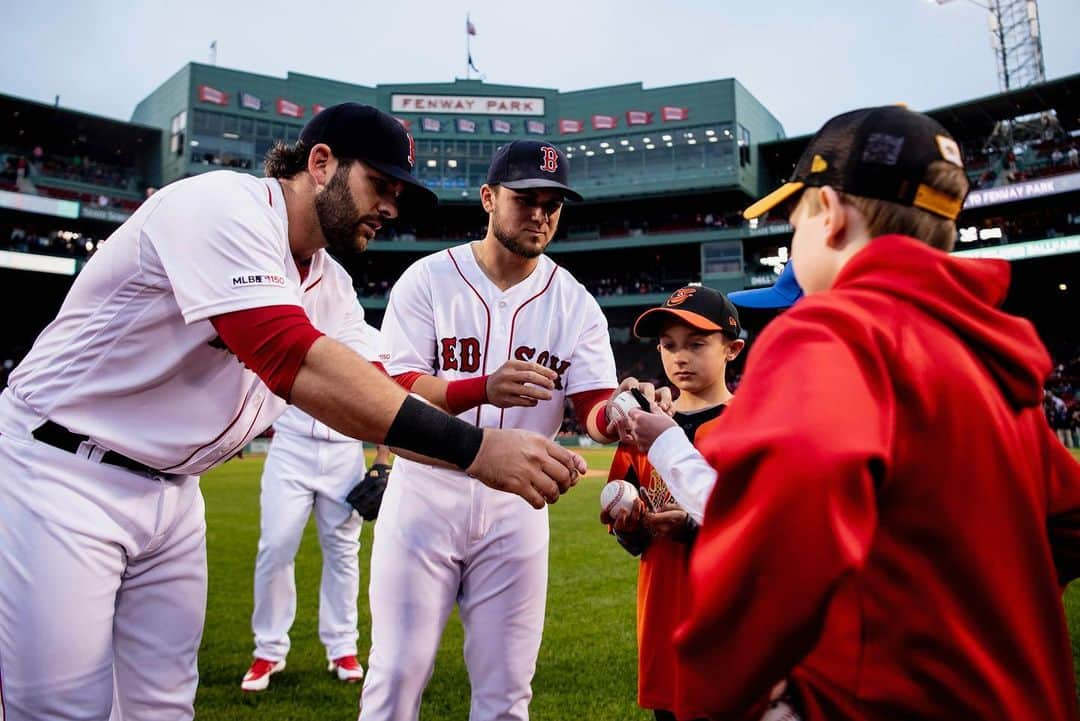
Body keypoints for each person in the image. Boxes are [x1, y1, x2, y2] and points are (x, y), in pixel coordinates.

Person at [0, 103, 585, 721]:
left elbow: (390, 389)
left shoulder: (326, 282)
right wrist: (479, 451)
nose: (390, 206)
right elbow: (293, 361)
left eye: (398, 192)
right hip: (62, 468)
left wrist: (479, 405)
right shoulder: (221, 206)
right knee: (60, 708)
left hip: (172, 494)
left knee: (162, 706)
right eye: (379, 185)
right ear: (321, 161)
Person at [666, 105, 1080, 720]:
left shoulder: (832, 330)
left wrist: (715, 691)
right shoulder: (988, 354)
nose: (791, 243)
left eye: (795, 221)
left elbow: (776, 543)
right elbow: (1067, 526)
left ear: (829, 214)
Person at [359, 140, 622, 721]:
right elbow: (392, 388)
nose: (541, 214)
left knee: (506, 693)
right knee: (397, 675)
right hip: (426, 494)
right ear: (487, 198)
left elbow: (595, 408)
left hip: (516, 507)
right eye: (526, 198)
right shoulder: (427, 279)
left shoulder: (574, 303)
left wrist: (622, 413)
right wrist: (480, 387)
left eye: (553, 204)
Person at [601, 285, 745, 721]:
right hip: (663, 615)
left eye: (697, 344)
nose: (679, 357)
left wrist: (692, 529)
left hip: (729, 624)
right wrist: (629, 524)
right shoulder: (643, 426)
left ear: (732, 349)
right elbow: (629, 536)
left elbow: (754, 533)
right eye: (668, 345)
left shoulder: (750, 422)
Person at [241, 313, 388, 692]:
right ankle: (268, 650)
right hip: (291, 447)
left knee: (343, 551)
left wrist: (382, 461)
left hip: (344, 452)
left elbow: (388, 400)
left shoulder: (369, 339)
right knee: (275, 545)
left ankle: (343, 647)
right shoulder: (290, 324)